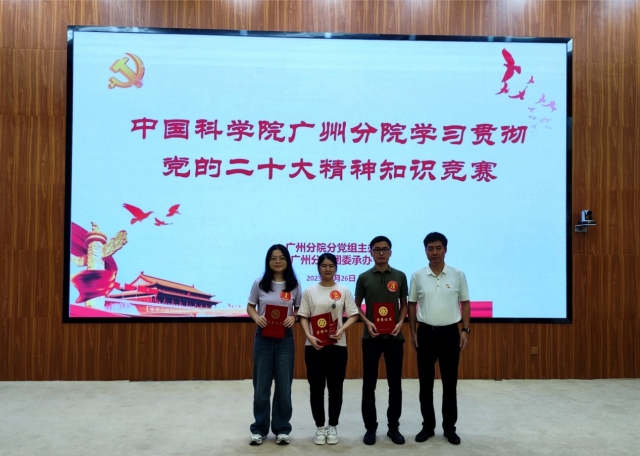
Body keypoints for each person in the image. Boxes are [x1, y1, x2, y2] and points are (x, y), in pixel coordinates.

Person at [408, 232, 470, 445]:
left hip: (450, 334)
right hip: (425, 333)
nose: (434, 252)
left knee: (449, 383)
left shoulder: (457, 274)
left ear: (445, 249)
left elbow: (465, 303)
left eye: (438, 248)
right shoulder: (417, 275)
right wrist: (413, 332)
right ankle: (428, 426)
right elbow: (411, 304)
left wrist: (465, 330)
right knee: (425, 384)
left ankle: (449, 428)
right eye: (430, 248)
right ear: (425, 251)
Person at [297, 253, 359, 445]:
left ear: (336, 268)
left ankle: (332, 426)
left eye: (331, 265)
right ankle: (319, 427)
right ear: (318, 268)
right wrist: (309, 335)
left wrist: (341, 329)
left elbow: (354, 314)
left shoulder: (343, 290)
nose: (327, 269)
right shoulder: (309, 291)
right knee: (316, 388)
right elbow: (303, 316)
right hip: (314, 346)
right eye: (324, 265)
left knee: (335, 388)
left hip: (337, 346)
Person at [355, 235, 408, 445]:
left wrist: (400, 322)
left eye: (385, 249)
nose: (381, 253)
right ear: (370, 252)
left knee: (395, 385)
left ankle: (393, 428)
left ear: (390, 252)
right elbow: (356, 306)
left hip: (394, 337)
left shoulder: (400, 276)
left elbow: (404, 304)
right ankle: (370, 428)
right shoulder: (363, 277)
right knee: (369, 385)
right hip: (371, 337)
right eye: (377, 249)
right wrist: (367, 322)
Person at [246, 244, 302, 446]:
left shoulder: (294, 284)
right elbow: (250, 307)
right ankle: (259, 429)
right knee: (261, 386)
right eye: (273, 258)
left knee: (284, 386)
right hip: (263, 337)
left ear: (288, 261)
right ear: (268, 261)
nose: (278, 261)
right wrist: (256, 318)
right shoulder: (260, 283)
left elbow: (299, 309)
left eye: (282, 258)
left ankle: (282, 429)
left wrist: (293, 318)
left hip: (284, 338)